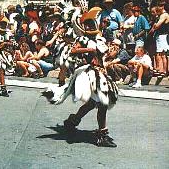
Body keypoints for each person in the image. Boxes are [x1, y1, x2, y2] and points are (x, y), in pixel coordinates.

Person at [43, 8, 119, 148]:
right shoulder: (82, 38)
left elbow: (104, 55)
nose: (90, 26)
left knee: (92, 103)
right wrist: (89, 50)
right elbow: (73, 50)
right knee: (102, 103)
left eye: (91, 23)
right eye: (87, 24)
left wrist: (112, 53)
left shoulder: (100, 39)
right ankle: (102, 135)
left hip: (102, 72)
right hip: (90, 74)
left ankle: (72, 121)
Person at [149, 0, 169, 77]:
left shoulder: (164, 15)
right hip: (159, 36)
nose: (158, 7)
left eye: (160, 5)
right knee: (159, 53)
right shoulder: (160, 15)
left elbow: (157, 26)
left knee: (163, 54)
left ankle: (164, 71)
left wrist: (155, 25)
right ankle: (160, 70)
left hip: (163, 36)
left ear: (163, 6)